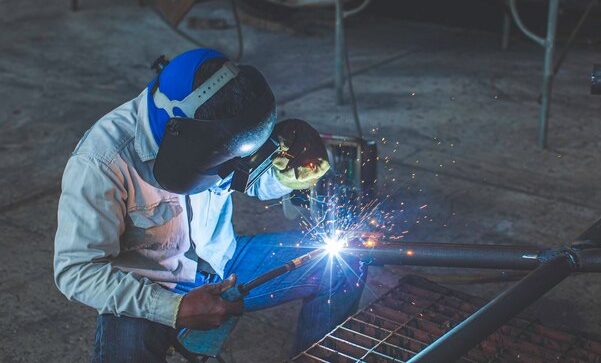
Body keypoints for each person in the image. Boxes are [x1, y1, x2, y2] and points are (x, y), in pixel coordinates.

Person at [53, 49, 367, 363]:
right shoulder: (101, 162)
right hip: (155, 286)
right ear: (179, 132)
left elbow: (250, 181)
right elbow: (76, 270)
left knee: (345, 263)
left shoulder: (221, 115)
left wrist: (288, 174)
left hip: (225, 262)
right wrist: (173, 308)